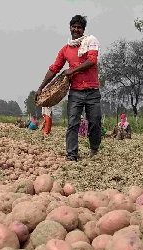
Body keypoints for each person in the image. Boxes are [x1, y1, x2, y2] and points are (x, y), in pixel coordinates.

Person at [36, 15, 101, 161]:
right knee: (73, 123)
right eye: (74, 27)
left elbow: (92, 60)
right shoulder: (65, 49)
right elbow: (54, 68)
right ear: (70, 28)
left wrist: (72, 70)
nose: (76, 29)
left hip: (92, 91)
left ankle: (94, 149)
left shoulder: (90, 42)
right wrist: (41, 87)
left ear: (83, 30)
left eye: (79, 27)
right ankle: (72, 155)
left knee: (95, 122)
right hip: (76, 91)